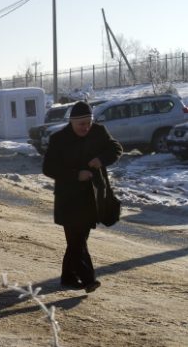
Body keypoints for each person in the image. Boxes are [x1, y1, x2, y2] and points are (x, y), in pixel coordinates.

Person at [42, 101, 122, 293]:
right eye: (81, 124)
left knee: (78, 240)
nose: (86, 127)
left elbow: (116, 148)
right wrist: (76, 174)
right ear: (71, 122)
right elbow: (48, 168)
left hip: (92, 198)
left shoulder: (98, 132)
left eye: (88, 123)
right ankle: (88, 280)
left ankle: (68, 277)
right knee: (77, 240)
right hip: (68, 199)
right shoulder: (58, 139)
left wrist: (101, 159)